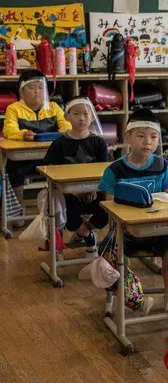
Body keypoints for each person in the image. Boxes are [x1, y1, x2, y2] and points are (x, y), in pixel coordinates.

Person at [98, 109, 168, 314]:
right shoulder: (114, 170)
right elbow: (110, 208)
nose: (148, 141)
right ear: (128, 137)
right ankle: (129, 297)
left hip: (157, 229)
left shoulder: (163, 166)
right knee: (108, 254)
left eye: (153, 137)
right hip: (125, 231)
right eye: (141, 135)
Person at [43, 97, 109, 258]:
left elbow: (105, 172)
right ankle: (88, 236)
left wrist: (93, 188)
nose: (82, 118)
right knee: (70, 220)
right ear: (67, 116)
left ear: (92, 117)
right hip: (69, 194)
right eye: (76, 114)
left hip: (94, 191)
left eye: (86, 114)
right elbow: (49, 171)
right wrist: (71, 191)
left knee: (105, 216)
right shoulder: (59, 143)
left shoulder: (99, 142)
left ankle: (84, 233)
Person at [3, 70, 70, 206]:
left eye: (41, 88)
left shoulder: (54, 107)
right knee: (13, 169)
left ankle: (60, 208)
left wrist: (60, 134)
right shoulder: (14, 108)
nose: (37, 92)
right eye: (31, 88)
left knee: (68, 164)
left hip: (51, 156)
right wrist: (22, 134)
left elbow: (67, 126)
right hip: (25, 159)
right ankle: (18, 209)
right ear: (21, 91)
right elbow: (9, 130)